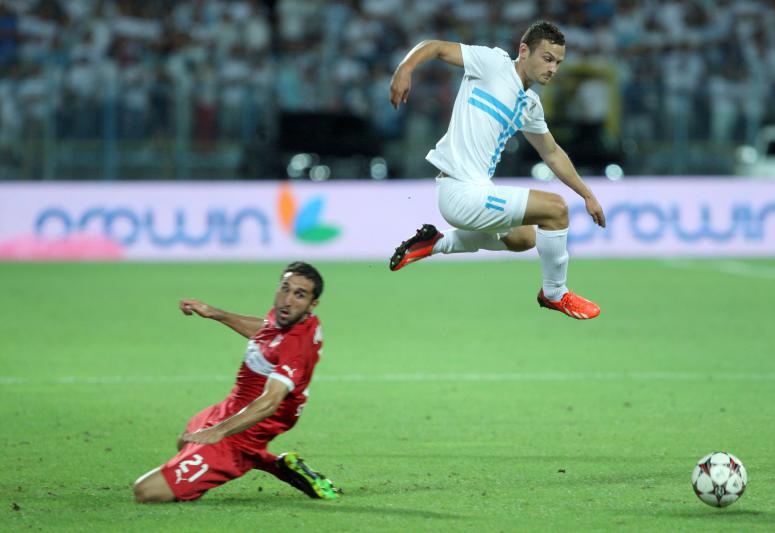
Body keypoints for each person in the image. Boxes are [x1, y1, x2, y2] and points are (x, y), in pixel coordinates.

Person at [388, 21, 606, 320]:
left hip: (479, 189)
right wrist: (406, 67)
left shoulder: (530, 104)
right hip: (460, 191)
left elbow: (552, 153)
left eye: (558, 62)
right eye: (547, 58)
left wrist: (588, 194)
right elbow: (436, 47)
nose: (553, 68)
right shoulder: (493, 64)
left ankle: (436, 243)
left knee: (524, 239)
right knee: (556, 210)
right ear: (524, 50)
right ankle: (555, 293)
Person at [133, 262, 341, 503]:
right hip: (234, 405)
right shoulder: (291, 318)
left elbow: (270, 401)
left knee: (146, 491)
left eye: (299, 294)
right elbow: (266, 331)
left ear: (311, 304)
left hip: (246, 430)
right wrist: (215, 313)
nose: (288, 300)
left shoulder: (296, 345)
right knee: (185, 440)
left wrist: (219, 431)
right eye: (285, 288)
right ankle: (279, 465)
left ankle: (242, 456)